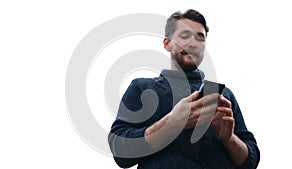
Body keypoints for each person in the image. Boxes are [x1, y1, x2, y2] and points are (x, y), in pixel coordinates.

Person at [108, 9, 260, 169]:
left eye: (200, 38)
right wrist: (173, 123)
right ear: (167, 44)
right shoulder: (141, 87)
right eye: (184, 36)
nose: (193, 43)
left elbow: (250, 162)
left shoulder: (223, 95)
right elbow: (121, 152)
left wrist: (229, 138)